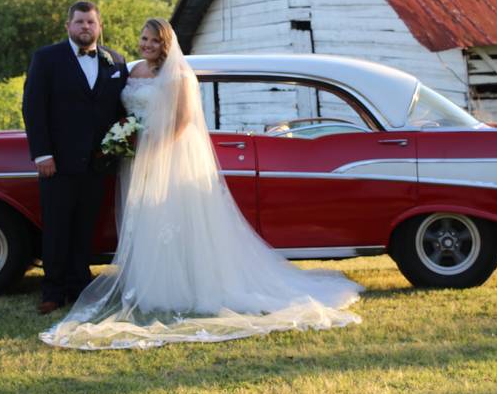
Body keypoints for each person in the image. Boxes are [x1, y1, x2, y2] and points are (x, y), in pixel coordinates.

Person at [40, 18, 361, 350]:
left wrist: (153, 153)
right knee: (144, 219)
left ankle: (175, 288)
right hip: (132, 161)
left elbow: (181, 123)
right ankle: (146, 286)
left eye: (154, 40)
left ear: (166, 44)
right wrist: (124, 141)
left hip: (166, 159)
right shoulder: (130, 71)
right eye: (144, 38)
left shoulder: (178, 76)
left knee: (171, 221)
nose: (147, 44)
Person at [22, 1, 129, 315]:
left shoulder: (116, 61)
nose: (85, 27)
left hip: (99, 162)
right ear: (68, 25)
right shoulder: (46, 58)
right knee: (56, 227)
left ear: (99, 26)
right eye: (80, 22)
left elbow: (121, 111)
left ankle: (79, 285)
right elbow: (33, 108)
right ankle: (53, 290)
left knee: (86, 227)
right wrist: (43, 154)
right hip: (58, 161)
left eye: (90, 22)